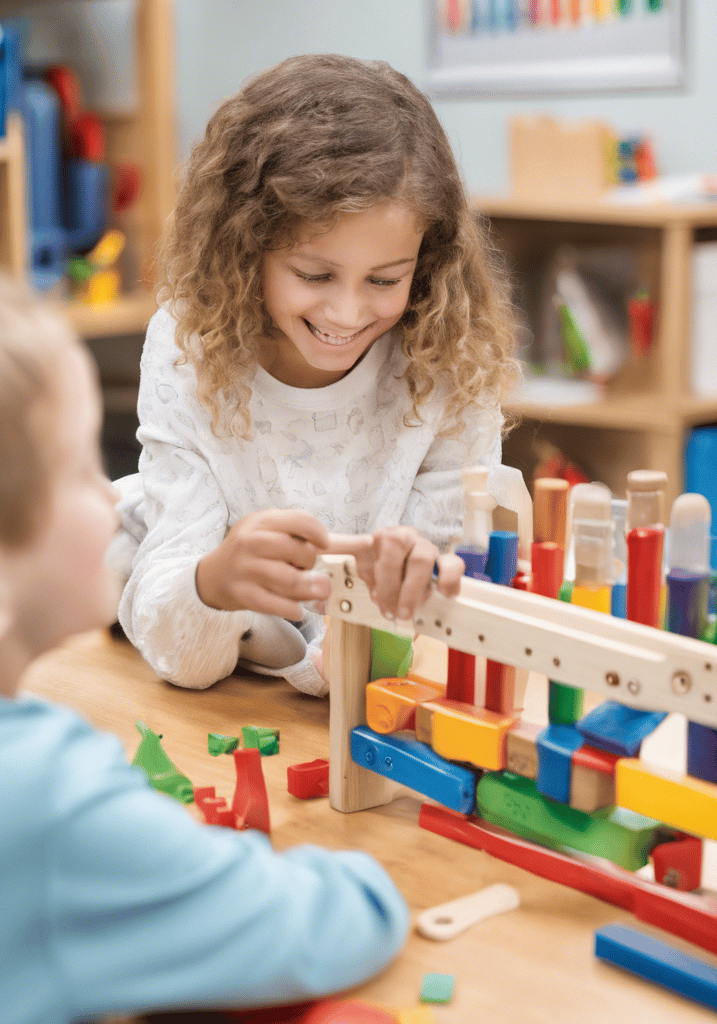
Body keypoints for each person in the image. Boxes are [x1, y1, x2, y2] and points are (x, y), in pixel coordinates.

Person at [0, 265, 408, 1023]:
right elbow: (331, 922)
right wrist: (375, 880)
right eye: (78, 469)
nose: (113, 494)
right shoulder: (49, 799)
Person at [111, 53, 519, 696]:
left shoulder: (448, 355)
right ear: (247, 246)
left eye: (384, 280)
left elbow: (420, 629)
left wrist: (378, 623)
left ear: (426, 260)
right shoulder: (190, 344)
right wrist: (213, 581)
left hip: (349, 667)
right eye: (315, 275)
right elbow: (182, 658)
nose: (348, 313)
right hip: (204, 632)